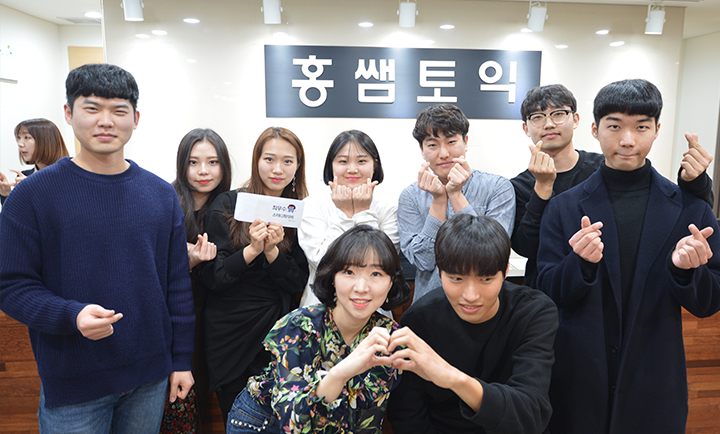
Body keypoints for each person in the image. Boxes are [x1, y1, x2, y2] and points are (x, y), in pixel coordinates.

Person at [0, 63, 195, 433]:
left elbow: (176, 285)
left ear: (135, 118)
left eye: (119, 110)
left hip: (149, 378)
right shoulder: (32, 195)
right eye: (92, 108)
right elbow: (10, 285)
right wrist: (72, 316)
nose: (106, 121)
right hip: (74, 381)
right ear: (68, 113)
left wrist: (181, 360)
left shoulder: (160, 194)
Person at [537, 79, 720, 433]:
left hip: (654, 379)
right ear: (595, 129)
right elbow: (546, 292)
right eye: (614, 126)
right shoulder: (563, 207)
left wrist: (687, 273)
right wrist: (580, 264)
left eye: (641, 127)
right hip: (578, 380)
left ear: (657, 130)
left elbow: (710, 301)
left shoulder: (690, 209)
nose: (627, 140)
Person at [511, 84, 714, 288]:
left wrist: (694, 182)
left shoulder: (612, 165)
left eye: (558, 114)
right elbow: (526, 248)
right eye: (537, 117)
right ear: (526, 128)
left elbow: (688, 213)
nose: (549, 124)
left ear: (576, 119)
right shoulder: (522, 187)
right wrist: (542, 188)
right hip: (556, 288)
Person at [226, 225, 412, 434]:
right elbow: (293, 425)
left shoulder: (390, 338)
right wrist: (342, 372)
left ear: (391, 283)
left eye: (376, 273)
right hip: (265, 424)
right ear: (332, 278)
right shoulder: (300, 326)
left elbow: (368, 420)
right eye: (349, 272)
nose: (361, 287)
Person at [387, 214, 557, 434]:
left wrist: (452, 378)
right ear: (439, 271)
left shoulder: (533, 313)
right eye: (456, 279)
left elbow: (530, 414)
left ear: (505, 271)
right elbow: (407, 415)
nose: (470, 296)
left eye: (485, 279)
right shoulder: (419, 320)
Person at [200, 126, 309, 423]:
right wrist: (253, 249)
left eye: (288, 161)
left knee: (281, 422)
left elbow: (298, 281)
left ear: (298, 166)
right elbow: (214, 277)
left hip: (277, 334)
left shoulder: (300, 212)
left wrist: (273, 252)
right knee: (239, 421)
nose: (277, 169)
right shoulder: (228, 204)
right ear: (256, 160)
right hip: (230, 333)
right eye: (269, 159)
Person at [398, 103, 515, 303]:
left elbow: (489, 255)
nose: (443, 153)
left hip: (483, 304)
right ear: (422, 150)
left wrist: (455, 194)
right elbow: (423, 261)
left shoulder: (497, 188)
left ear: (465, 142)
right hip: (430, 307)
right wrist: (438, 201)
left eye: (451, 141)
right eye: (432, 145)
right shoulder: (410, 196)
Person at [299, 129, 398, 311]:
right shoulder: (311, 205)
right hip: (320, 309)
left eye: (362, 161)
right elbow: (322, 262)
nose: (352, 169)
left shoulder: (387, 209)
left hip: (371, 308)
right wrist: (343, 214)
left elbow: (384, 264)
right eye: (343, 161)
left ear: (375, 165)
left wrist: (363, 212)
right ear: (331, 165)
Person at [171, 127, 232, 423]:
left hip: (220, 317)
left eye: (212, 162)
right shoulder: (167, 201)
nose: (203, 171)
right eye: (193, 162)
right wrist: (190, 260)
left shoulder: (232, 206)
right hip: (179, 315)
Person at [0, 118, 70, 205]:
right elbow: (18, 213)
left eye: (26, 137)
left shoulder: (70, 175)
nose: (20, 144)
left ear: (45, 141)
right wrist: (6, 195)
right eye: (18, 137)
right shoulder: (24, 176)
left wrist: (34, 187)